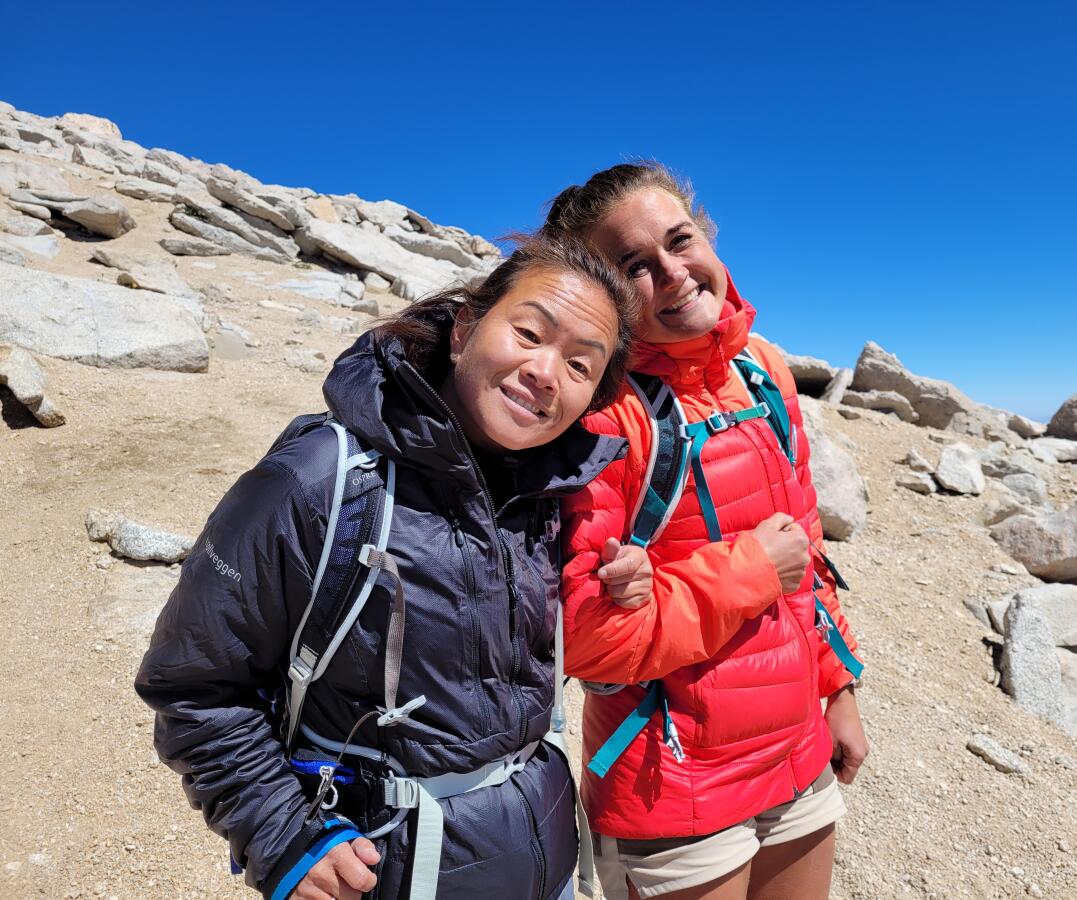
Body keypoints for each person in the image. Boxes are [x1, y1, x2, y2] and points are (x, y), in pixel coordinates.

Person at [135, 236, 652, 900]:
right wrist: (283, 835)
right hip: (389, 873)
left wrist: (616, 586)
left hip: (544, 854)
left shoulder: (549, 500)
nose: (547, 372)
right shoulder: (321, 480)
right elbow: (196, 687)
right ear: (465, 327)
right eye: (530, 333)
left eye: (581, 366)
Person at [541, 164, 869, 900]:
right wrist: (755, 566)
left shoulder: (762, 371)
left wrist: (839, 688)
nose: (673, 273)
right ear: (608, 296)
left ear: (708, 237)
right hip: (673, 786)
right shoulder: (604, 415)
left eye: (680, 241)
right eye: (634, 268)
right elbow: (592, 643)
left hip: (798, 756)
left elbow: (808, 551)